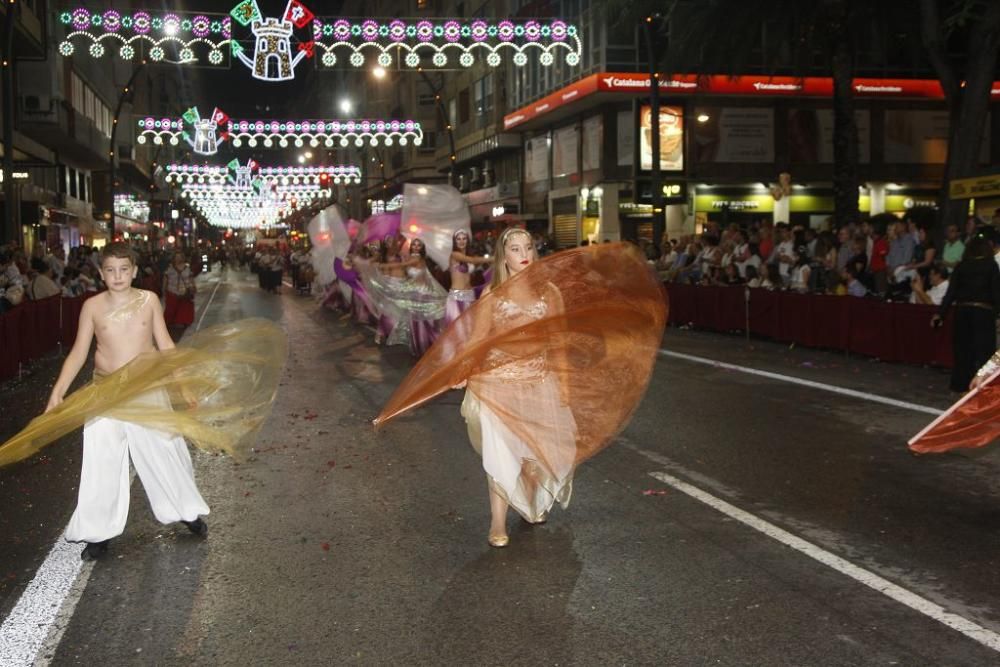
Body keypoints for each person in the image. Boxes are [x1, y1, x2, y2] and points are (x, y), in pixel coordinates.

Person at [45, 243, 209, 560]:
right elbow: (79, 351)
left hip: (146, 389)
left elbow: (165, 346)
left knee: (165, 451)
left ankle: (187, 511)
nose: (117, 276)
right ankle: (98, 532)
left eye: (124, 269)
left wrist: (183, 385)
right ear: (101, 273)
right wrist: (58, 390)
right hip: (106, 390)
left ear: (134, 271)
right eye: (110, 270)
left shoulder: (148, 301)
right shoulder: (92, 307)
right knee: (101, 459)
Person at [933, 237, 1000, 392]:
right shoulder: (991, 266)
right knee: (984, 351)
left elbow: (951, 293)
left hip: (962, 312)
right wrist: (998, 315)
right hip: (983, 312)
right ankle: (983, 387)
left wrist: (940, 314)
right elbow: (996, 292)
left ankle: (960, 385)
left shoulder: (961, 266)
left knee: (962, 350)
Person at [444, 229, 491, 331]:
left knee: (470, 329)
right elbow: (473, 260)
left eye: (464, 238)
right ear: (455, 241)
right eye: (458, 239)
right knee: (457, 331)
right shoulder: (454, 255)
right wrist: (494, 258)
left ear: (468, 240)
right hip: (457, 298)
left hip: (470, 296)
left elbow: (475, 262)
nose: (461, 241)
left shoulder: (468, 255)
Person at [163, 252, 196, 335]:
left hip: (185, 291)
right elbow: (165, 279)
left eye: (179, 257)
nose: (178, 259)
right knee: (171, 308)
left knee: (184, 307)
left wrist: (193, 286)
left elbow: (191, 278)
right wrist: (164, 288)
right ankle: (169, 322)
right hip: (172, 290)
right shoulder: (169, 268)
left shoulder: (187, 268)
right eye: (176, 257)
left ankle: (182, 321)